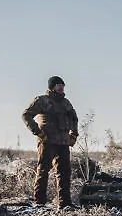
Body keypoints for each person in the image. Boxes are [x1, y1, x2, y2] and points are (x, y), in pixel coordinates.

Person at [22, 76, 79, 209]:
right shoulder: (42, 100)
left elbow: (74, 118)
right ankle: (39, 203)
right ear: (52, 87)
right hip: (47, 141)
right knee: (43, 170)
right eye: (59, 85)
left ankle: (65, 203)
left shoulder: (66, 103)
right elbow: (26, 115)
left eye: (63, 85)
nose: (61, 88)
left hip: (63, 143)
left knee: (65, 173)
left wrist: (73, 135)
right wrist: (38, 132)